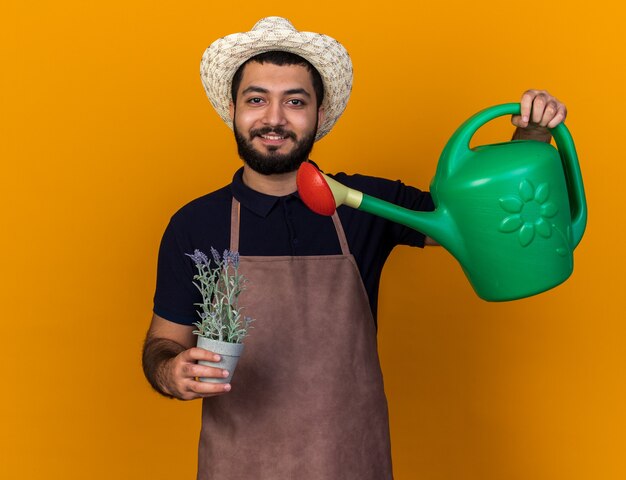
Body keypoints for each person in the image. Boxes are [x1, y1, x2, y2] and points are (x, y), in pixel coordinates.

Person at [142, 16, 568, 479]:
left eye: (296, 101)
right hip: (238, 465)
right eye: (257, 99)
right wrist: (172, 372)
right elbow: (162, 343)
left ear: (320, 115)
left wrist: (531, 139)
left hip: (351, 463)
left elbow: (481, 225)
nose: (274, 118)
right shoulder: (194, 224)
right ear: (233, 109)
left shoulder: (366, 204)